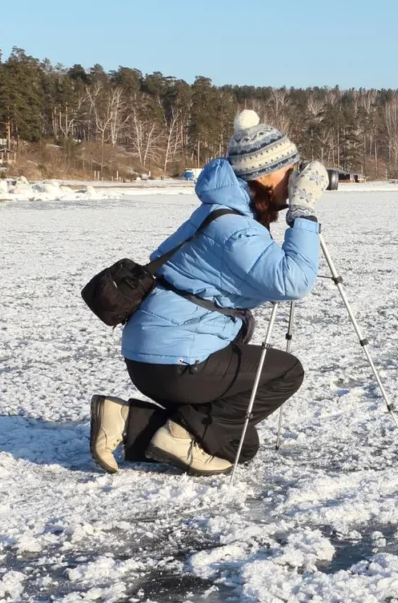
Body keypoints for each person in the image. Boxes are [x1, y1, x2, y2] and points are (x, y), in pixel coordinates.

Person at [88, 109, 329, 476]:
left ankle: (123, 419)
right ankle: (177, 435)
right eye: (289, 170)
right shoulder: (235, 228)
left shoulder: (222, 213)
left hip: (155, 356)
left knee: (239, 445)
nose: (295, 179)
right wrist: (304, 212)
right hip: (178, 361)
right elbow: (292, 282)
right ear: (263, 175)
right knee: (285, 372)